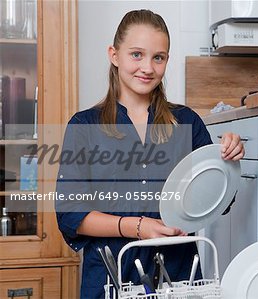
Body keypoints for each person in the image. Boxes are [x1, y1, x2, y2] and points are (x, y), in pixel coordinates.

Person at [55, 9, 244, 298]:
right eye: (136, 54)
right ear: (114, 55)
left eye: (158, 57)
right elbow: (71, 214)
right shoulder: (84, 125)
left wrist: (225, 161)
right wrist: (137, 227)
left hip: (179, 272)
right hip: (110, 274)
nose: (147, 67)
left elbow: (217, 200)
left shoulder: (187, 122)